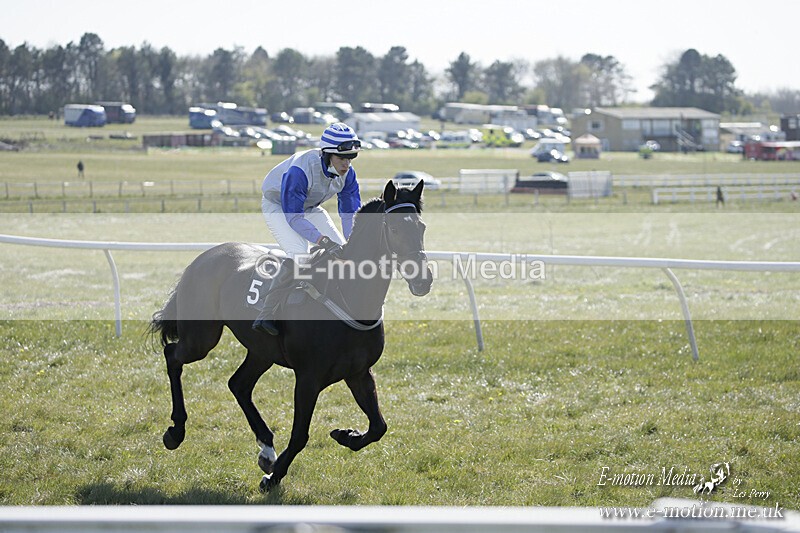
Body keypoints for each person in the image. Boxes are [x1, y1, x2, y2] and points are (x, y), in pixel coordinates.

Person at [252, 122, 363, 335]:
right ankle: (266, 313)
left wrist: (351, 243)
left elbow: (349, 215)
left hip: (310, 207)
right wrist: (321, 240)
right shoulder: (300, 170)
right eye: (342, 158)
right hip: (280, 207)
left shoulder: (348, 175)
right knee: (300, 255)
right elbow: (293, 217)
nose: (346, 164)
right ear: (327, 155)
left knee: (342, 250)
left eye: (350, 158)